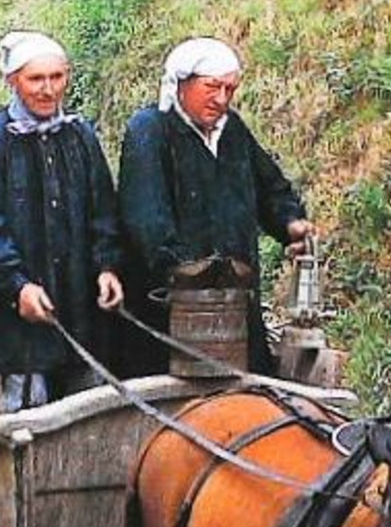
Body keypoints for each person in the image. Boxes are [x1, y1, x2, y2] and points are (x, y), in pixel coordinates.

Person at [116, 36, 315, 376]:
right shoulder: (150, 131)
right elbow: (146, 220)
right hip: (170, 311)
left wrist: (290, 223)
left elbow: (270, 187)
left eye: (230, 89)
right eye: (212, 87)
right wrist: (188, 272)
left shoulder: (232, 130)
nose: (222, 99)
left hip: (236, 303)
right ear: (181, 84)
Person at [0, 31, 124, 411]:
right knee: (30, 419)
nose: (48, 90)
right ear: (12, 81)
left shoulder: (80, 137)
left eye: (57, 78)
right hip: (15, 326)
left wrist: (107, 267)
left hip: (79, 312)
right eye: (36, 79)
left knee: (90, 414)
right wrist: (17, 287)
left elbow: (103, 212)